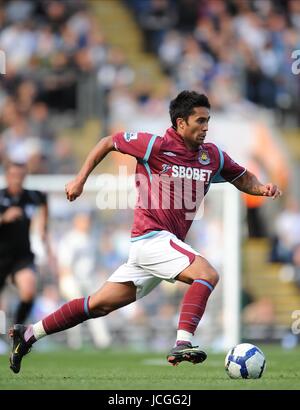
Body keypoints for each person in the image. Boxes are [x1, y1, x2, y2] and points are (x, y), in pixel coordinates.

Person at [9, 90, 282, 374]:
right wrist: (79, 180)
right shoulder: (154, 145)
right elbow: (108, 142)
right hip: (152, 237)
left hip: (160, 247)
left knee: (99, 305)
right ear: (180, 123)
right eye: (200, 121)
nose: (206, 127)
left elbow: (242, 177)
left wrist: (261, 187)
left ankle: (28, 334)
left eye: (208, 121)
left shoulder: (211, 156)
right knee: (208, 274)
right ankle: (182, 342)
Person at [0, 162, 48, 328]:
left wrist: (43, 226)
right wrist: (4, 218)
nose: (17, 180)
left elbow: (44, 200)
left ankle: (16, 330)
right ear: (7, 176)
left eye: (20, 176)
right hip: (1, 255)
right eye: (13, 176)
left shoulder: (32, 196)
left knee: (28, 290)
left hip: (22, 255)